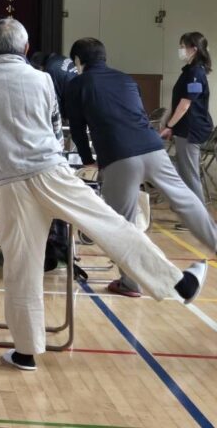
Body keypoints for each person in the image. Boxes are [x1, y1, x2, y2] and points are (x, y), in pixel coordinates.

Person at [0, 18, 207, 372]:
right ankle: (177, 283)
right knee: (110, 225)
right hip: (50, 172)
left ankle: (26, 351)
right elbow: (55, 126)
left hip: (6, 182)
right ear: (27, 50)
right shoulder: (44, 79)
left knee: (21, 267)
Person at [66, 37, 217, 297]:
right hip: (152, 148)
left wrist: (87, 158)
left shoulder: (78, 84)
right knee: (186, 200)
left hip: (118, 156)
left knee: (121, 224)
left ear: (79, 62)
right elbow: (137, 112)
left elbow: (78, 129)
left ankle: (130, 283)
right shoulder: (126, 79)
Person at [160, 32, 214, 204]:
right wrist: (170, 125)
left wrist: (169, 125)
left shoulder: (196, 73)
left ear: (194, 49)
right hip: (185, 129)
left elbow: (185, 104)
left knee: (189, 174)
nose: (181, 50)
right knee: (185, 171)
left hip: (191, 130)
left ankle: (198, 217)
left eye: (183, 47)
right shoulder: (189, 71)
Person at [30, 52, 80, 119]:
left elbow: (54, 100)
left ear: (40, 67)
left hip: (74, 104)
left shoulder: (50, 69)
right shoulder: (60, 58)